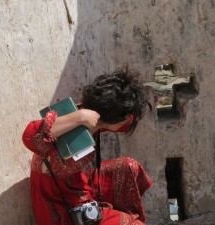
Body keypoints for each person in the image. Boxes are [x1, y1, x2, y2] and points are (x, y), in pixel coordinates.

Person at [22, 67, 153, 225]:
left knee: (130, 168)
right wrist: (79, 117)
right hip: (61, 205)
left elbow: (122, 124)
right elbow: (30, 136)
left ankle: (116, 216)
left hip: (77, 184)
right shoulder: (77, 117)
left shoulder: (97, 117)